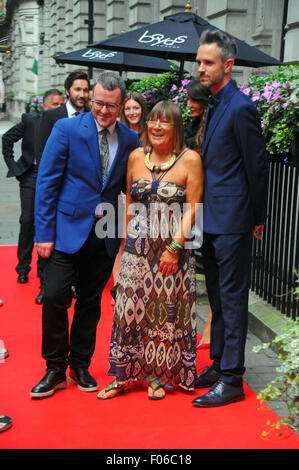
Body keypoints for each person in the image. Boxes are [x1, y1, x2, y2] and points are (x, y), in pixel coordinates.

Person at [30, 72, 139, 399]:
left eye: (111, 106)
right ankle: (54, 368)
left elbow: (129, 188)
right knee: (54, 296)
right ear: (91, 99)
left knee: (90, 303)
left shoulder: (130, 139)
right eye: (99, 103)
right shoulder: (66, 129)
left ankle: (79, 364)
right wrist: (44, 233)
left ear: (121, 105)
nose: (104, 111)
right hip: (64, 230)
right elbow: (47, 184)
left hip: (104, 233)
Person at [98, 100, 204, 401]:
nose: (156, 127)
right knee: (127, 310)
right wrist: (121, 250)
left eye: (164, 122)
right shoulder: (135, 157)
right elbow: (129, 202)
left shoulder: (190, 160)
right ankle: (123, 375)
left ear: (176, 127)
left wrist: (174, 248)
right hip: (136, 246)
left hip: (172, 251)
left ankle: (157, 375)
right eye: (153, 121)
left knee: (162, 314)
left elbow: (193, 208)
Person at [192, 30, 269, 408]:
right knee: (219, 301)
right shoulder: (213, 104)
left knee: (233, 300)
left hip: (234, 221)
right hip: (212, 219)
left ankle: (233, 380)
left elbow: (257, 167)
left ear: (228, 64)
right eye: (199, 61)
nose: (200, 68)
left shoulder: (240, 107)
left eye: (207, 62)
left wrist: (258, 217)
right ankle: (218, 364)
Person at [35, 70, 90, 305]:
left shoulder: (91, 116)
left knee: (73, 242)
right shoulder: (53, 117)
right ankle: (44, 285)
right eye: (78, 89)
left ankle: (74, 283)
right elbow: (42, 153)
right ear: (68, 91)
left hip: (76, 193)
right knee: (46, 236)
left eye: (86, 90)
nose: (82, 94)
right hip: (53, 186)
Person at [2, 89, 64, 285]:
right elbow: (7, 139)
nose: (59, 108)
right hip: (31, 177)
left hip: (54, 181)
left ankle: (43, 272)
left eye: (62, 104)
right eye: (55, 104)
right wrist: (13, 165)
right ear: (45, 106)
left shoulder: (65, 126)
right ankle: (22, 267)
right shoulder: (31, 121)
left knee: (46, 223)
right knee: (28, 221)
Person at [184, 79, 212, 349]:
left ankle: (209, 327)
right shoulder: (191, 126)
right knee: (194, 263)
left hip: (210, 205)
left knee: (211, 269)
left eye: (194, 100)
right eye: (188, 99)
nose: (189, 104)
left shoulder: (213, 126)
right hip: (191, 203)